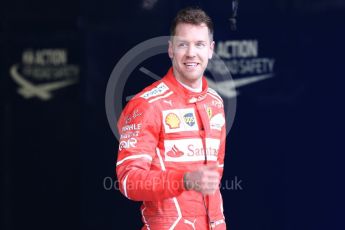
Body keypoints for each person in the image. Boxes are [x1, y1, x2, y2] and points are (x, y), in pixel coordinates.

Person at [116, 7, 227, 230]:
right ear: (170, 49)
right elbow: (128, 182)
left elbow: (215, 179)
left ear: (211, 50)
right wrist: (183, 180)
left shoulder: (215, 103)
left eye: (199, 44)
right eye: (183, 44)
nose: (191, 53)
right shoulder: (146, 104)